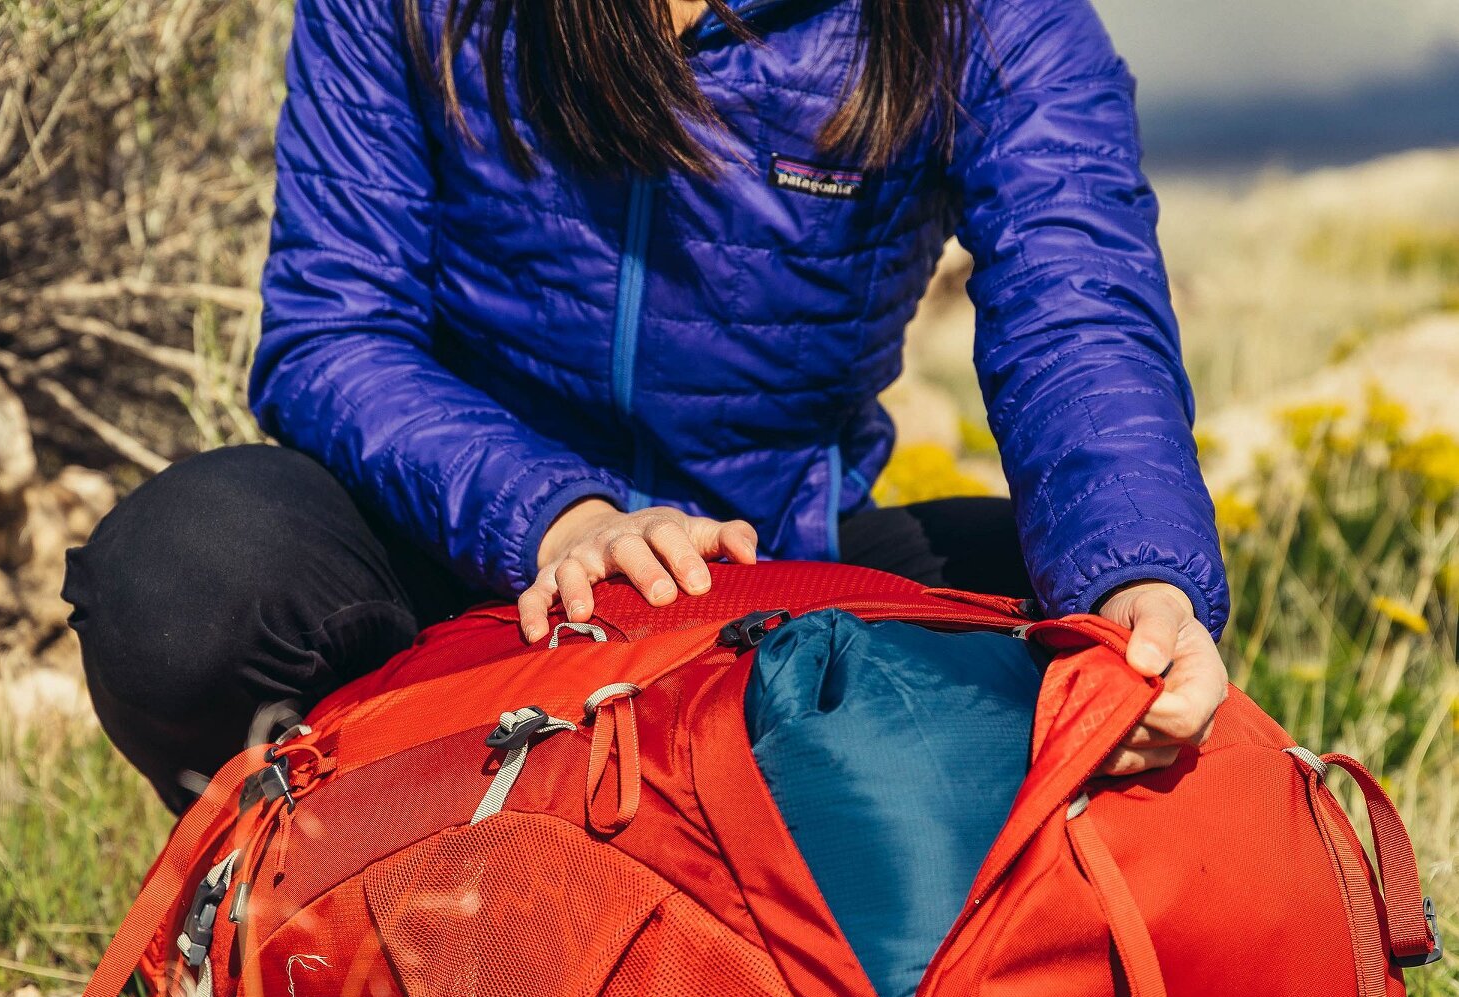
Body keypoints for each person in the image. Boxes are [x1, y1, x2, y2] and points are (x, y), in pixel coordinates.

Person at [64, 0, 1230, 812]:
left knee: (1092, 642)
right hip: (456, 565)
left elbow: (1078, 315)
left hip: (768, 581)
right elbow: (334, 332)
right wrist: (560, 517)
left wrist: (1139, 587)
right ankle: (298, 895)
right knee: (184, 580)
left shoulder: (994, 21)